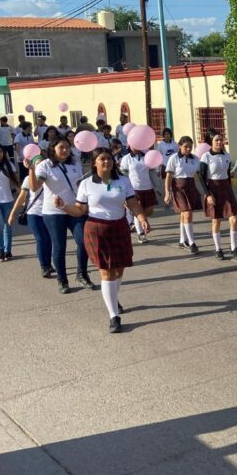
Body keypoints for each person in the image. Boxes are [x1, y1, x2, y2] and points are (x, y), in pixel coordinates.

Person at [60, 147, 150, 333]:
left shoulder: (123, 181)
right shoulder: (86, 184)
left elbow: (132, 203)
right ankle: (113, 316)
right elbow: (80, 210)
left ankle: (113, 297)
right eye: (102, 159)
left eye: (109, 158)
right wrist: (64, 207)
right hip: (97, 229)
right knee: (106, 272)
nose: (106, 162)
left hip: (119, 227)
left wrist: (142, 218)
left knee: (119, 269)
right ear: (94, 163)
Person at [29, 136, 93, 294]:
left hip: (75, 209)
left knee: (83, 242)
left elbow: (80, 186)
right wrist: (31, 169)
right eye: (61, 147)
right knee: (59, 246)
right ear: (53, 149)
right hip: (53, 212)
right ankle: (62, 280)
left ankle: (82, 274)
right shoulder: (45, 165)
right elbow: (34, 186)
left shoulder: (75, 164)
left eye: (67, 147)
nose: (65, 150)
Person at [198, 133, 237, 261]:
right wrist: (208, 195)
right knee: (216, 221)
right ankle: (218, 249)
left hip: (226, 188)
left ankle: (234, 248)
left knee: (234, 218)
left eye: (221, 140)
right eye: (216, 140)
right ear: (211, 142)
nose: (219, 142)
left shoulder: (227, 156)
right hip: (213, 188)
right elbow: (201, 177)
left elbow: (228, 175)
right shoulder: (206, 156)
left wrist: (229, 189)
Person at [9, 168, 52, 278]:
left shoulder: (51, 177)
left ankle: (48, 263)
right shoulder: (28, 179)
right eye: (37, 164)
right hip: (34, 213)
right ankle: (44, 266)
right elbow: (22, 197)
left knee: (48, 239)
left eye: (41, 164)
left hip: (49, 213)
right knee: (41, 238)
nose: (39, 166)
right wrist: (12, 213)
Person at [164, 136, 203, 253]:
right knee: (187, 213)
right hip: (178, 187)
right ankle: (191, 242)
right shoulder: (174, 158)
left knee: (184, 214)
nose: (188, 149)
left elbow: (200, 174)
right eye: (185, 146)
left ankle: (182, 240)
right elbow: (169, 177)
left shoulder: (195, 158)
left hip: (191, 186)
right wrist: (167, 192)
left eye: (190, 147)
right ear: (180, 146)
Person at [120, 148, 157, 243]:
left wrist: (156, 186)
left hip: (148, 187)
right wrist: (125, 190)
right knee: (138, 210)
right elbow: (123, 175)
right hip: (134, 188)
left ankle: (143, 221)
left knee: (148, 211)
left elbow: (152, 171)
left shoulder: (147, 156)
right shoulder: (126, 158)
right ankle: (141, 233)